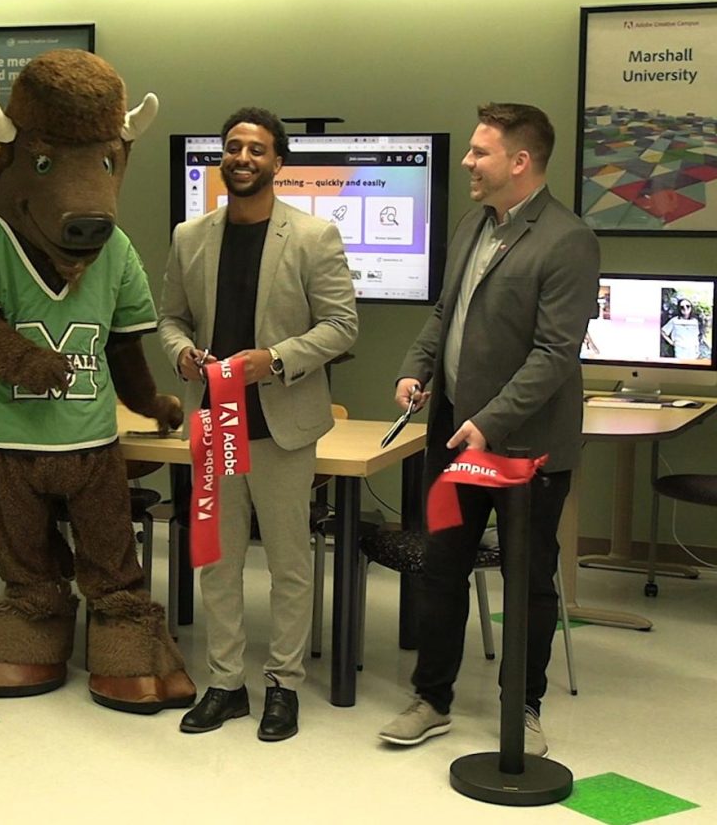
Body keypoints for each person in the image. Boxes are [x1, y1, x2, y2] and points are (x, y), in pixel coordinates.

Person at [378, 103, 599, 757]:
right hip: (455, 437)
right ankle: (432, 699)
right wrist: (415, 369)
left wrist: (490, 420)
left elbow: (555, 355)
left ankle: (522, 709)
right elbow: (446, 312)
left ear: (520, 162)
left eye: (481, 152)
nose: (469, 163)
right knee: (442, 569)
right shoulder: (475, 224)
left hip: (527, 449)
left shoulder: (568, 239)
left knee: (527, 582)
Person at [159, 107, 358, 741]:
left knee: (287, 562)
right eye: (233, 147)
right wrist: (182, 354)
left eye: (257, 150)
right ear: (222, 159)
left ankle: (283, 685)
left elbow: (341, 327)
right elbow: (170, 321)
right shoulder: (190, 237)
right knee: (215, 559)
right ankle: (225, 684)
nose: (242, 158)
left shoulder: (311, 236)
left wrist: (271, 360)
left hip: (281, 423)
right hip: (214, 424)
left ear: (278, 163)